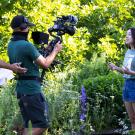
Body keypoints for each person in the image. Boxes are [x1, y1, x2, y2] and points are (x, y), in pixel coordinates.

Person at [8, 15, 62, 135]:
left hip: (22, 90)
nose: (29, 30)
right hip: (32, 91)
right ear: (23, 27)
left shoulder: (11, 44)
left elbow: (29, 59)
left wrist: (46, 51)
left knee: (30, 125)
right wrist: (55, 50)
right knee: (42, 124)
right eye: (27, 27)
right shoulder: (27, 46)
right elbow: (45, 64)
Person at [109, 27, 135, 130]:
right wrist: (115, 68)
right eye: (126, 34)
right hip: (127, 86)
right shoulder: (128, 52)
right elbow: (125, 71)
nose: (126, 36)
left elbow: (129, 71)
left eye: (129, 34)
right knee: (132, 119)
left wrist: (130, 72)